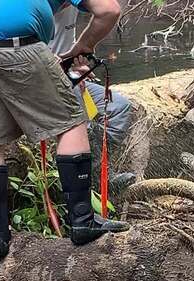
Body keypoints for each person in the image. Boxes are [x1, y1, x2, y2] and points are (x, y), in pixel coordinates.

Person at [0, 0, 129, 260]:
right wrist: (85, 45)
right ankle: (82, 221)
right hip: (17, 43)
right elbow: (108, 10)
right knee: (70, 123)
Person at [51, 3, 134, 189]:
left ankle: (101, 166)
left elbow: (68, 51)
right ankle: (94, 182)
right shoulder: (32, 8)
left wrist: (76, 66)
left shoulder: (74, 7)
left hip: (65, 75)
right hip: (40, 80)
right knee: (83, 121)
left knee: (119, 107)